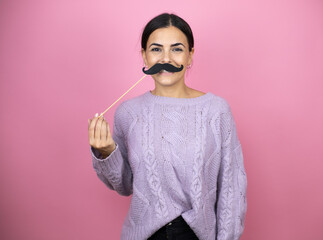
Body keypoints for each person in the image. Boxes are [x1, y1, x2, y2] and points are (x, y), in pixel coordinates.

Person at [88, 13, 247, 240]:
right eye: (156, 49)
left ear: (190, 55)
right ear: (144, 56)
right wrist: (105, 152)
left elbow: (231, 190)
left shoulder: (216, 111)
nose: (166, 59)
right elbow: (124, 185)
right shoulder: (128, 113)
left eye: (176, 49)